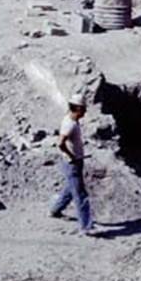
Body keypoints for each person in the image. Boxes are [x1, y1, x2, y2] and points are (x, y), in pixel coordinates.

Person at [49, 92, 94, 234]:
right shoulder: (70, 124)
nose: (86, 111)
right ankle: (86, 227)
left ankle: (55, 210)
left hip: (74, 163)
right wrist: (72, 156)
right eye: (84, 109)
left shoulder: (71, 120)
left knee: (69, 189)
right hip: (72, 164)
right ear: (79, 108)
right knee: (80, 195)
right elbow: (60, 143)